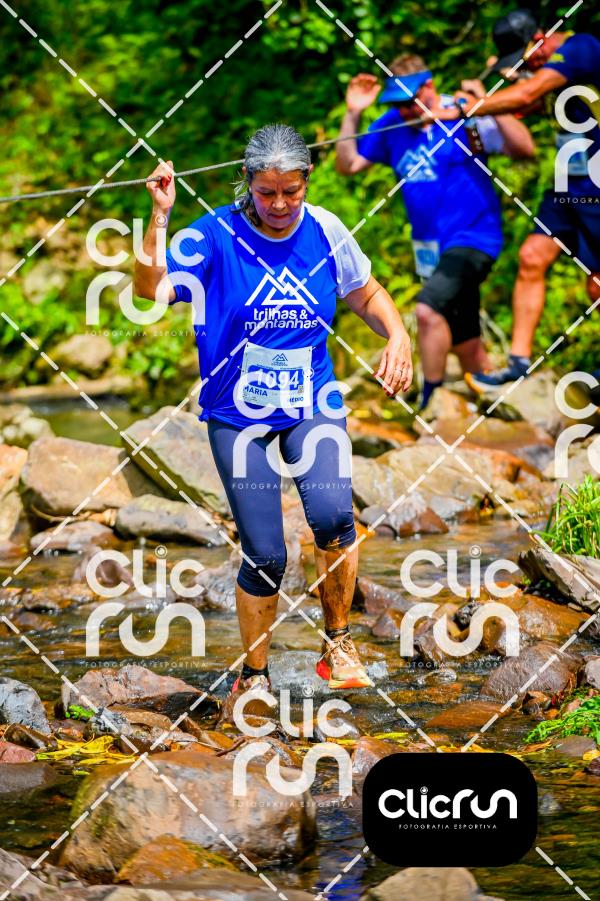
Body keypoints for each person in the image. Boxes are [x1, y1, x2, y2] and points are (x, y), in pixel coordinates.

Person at [133, 124, 413, 698]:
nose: (280, 204)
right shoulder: (213, 236)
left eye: (291, 191)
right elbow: (149, 290)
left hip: (312, 402)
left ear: (307, 181)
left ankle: (338, 643)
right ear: (247, 181)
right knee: (265, 553)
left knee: (334, 518)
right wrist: (160, 216)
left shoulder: (326, 230)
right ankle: (254, 677)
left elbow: (365, 292)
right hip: (238, 415)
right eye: (266, 193)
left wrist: (398, 335)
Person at [335, 54, 535, 408]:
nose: (405, 111)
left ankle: (431, 402)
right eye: (397, 105)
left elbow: (524, 148)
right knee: (464, 336)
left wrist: (485, 102)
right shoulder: (393, 125)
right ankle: (492, 404)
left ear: (428, 86)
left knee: (428, 310)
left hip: (474, 239)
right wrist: (353, 112)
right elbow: (348, 164)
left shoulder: (463, 113)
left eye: (410, 102)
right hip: (430, 248)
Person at [445, 11, 600, 388]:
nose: (527, 66)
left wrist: (464, 108)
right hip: (568, 183)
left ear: (540, 38)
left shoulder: (581, 47)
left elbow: (529, 93)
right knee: (532, 256)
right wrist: (489, 92)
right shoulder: (549, 69)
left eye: (526, 57)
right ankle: (518, 364)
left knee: (596, 284)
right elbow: (522, 105)